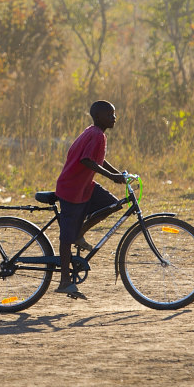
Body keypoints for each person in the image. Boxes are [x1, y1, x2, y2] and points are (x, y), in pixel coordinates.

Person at [53, 100, 127, 299]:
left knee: (112, 204)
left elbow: (97, 159)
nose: (114, 118)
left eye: (114, 114)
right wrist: (112, 177)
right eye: (110, 115)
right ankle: (64, 281)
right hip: (72, 189)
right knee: (66, 238)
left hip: (84, 186)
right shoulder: (96, 134)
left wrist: (117, 173)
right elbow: (86, 160)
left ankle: (80, 233)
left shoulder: (94, 132)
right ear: (99, 117)